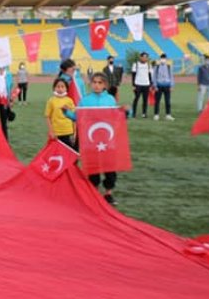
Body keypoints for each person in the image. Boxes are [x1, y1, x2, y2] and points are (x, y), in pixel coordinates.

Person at [68, 73, 119, 204]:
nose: (96, 85)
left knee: (109, 167)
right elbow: (77, 117)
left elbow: (116, 117)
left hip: (107, 140)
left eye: (100, 83)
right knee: (93, 167)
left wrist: (126, 112)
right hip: (91, 141)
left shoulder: (110, 100)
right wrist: (66, 112)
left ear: (105, 85)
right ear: (90, 84)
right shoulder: (85, 100)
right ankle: (94, 192)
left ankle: (108, 193)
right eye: (94, 82)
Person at [44, 77, 76, 148]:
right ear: (54, 88)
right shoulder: (51, 101)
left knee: (69, 151)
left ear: (66, 88)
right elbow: (47, 117)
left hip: (68, 132)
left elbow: (74, 118)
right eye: (58, 87)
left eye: (62, 87)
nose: (60, 89)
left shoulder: (69, 101)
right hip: (56, 132)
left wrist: (75, 133)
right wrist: (51, 131)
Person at [152, 53, 174, 121]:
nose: (163, 60)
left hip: (167, 85)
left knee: (168, 101)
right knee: (157, 101)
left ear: (166, 59)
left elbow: (171, 76)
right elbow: (154, 77)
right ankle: (156, 115)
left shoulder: (168, 66)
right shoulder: (157, 66)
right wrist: (155, 86)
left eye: (164, 58)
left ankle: (168, 115)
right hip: (159, 86)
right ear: (160, 59)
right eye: (162, 58)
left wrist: (171, 86)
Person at [130, 52, 152, 118]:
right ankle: (134, 113)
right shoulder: (136, 64)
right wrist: (133, 85)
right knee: (136, 98)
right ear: (140, 57)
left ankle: (144, 113)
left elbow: (150, 75)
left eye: (146, 57)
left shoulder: (149, 65)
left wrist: (150, 85)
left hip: (146, 84)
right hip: (138, 84)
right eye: (144, 57)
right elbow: (133, 75)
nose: (145, 58)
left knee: (145, 100)